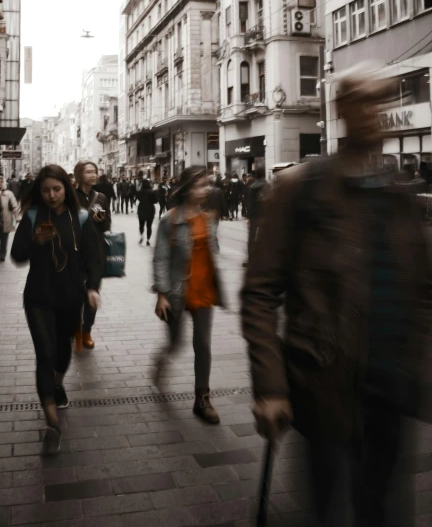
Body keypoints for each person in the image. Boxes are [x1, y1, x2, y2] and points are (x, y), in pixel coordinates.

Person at [241, 69, 432, 527]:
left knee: (387, 510)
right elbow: (260, 293)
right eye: (364, 102)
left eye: (383, 103)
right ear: (343, 109)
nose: (376, 113)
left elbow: (422, 291)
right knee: (332, 511)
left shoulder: (399, 194)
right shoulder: (299, 189)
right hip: (325, 386)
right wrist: (270, 386)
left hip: (392, 391)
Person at [11, 165, 102, 455]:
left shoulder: (82, 218)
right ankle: (52, 421)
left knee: (62, 354)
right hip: (39, 296)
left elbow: (94, 256)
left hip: (71, 297)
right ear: (39, 191)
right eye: (46, 190)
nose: (51, 195)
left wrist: (92, 288)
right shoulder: (33, 216)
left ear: (67, 188)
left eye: (57, 189)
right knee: (45, 354)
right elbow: (16, 255)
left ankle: (57, 383)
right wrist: (34, 242)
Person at [153, 166, 226, 424]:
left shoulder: (208, 218)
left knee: (203, 345)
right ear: (185, 189)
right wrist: (161, 293)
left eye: (206, 184)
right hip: (177, 292)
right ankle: (161, 362)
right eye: (198, 185)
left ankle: (202, 398)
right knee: (176, 343)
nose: (205, 189)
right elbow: (160, 258)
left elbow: (212, 255)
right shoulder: (170, 220)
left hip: (204, 291)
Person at [74, 160, 111, 349]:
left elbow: (106, 226)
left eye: (94, 171)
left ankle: (87, 330)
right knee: (76, 295)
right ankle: (76, 330)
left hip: (96, 252)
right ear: (80, 174)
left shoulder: (101, 198)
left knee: (93, 292)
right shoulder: (70, 196)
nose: (93, 175)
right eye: (88, 172)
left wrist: (100, 218)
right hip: (75, 252)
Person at [137, 178, 157, 245]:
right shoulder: (151, 192)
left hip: (141, 209)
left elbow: (138, 198)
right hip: (150, 210)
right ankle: (148, 240)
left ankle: (142, 235)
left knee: (141, 224)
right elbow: (155, 201)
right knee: (149, 226)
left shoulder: (140, 192)